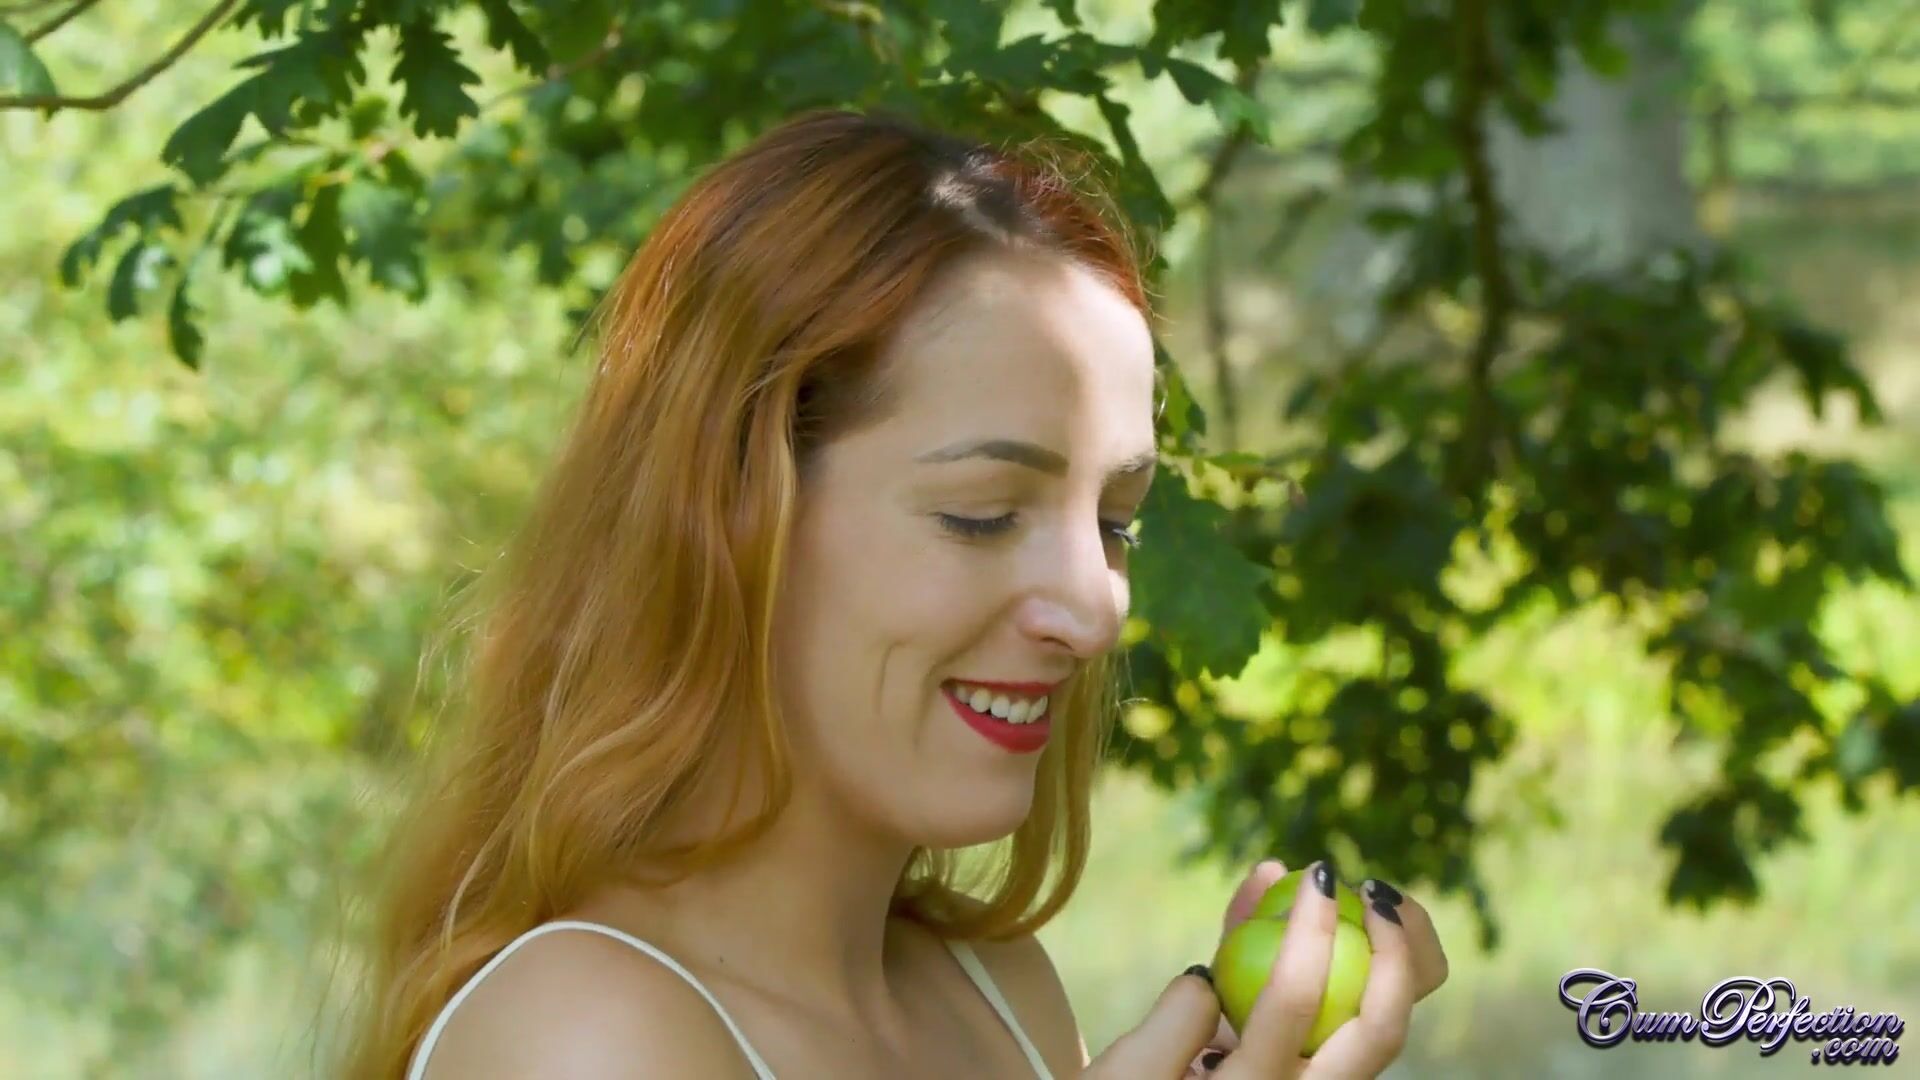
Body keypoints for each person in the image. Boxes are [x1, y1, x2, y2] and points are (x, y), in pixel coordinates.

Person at [331, 107, 1448, 1079]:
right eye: (983, 513)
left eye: (1116, 523)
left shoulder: (993, 987)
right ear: (731, 514)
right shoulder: (582, 1036)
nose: (1097, 607)